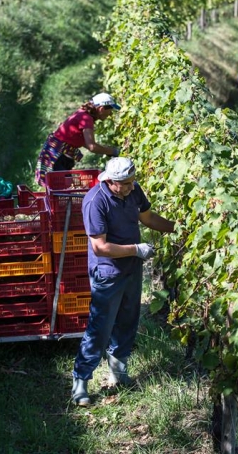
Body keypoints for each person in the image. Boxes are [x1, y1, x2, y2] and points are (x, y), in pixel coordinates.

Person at [71, 157, 175, 406]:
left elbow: (148, 218)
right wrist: (136, 250)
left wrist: (176, 228)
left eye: (132, 182)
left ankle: (118, 372)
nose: (131, 187)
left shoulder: (133, 189)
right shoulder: (95, 201)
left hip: (131, 269)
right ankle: (80, 383)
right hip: (108, 273)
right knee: (100, 327)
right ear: (111, 181)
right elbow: (100, 247)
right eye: (126, 184)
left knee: (129, 319)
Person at [35, 93, 122, 187]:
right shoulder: (86, 118)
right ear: (101, 109)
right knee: (60, 187)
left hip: (56, 152)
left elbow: (81, 140)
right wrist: (113, 151)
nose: (110, 114)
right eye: (110, 110)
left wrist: (106, 150)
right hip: (57, 156)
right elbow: (91, 146)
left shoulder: (82, 113)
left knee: (60, 187)